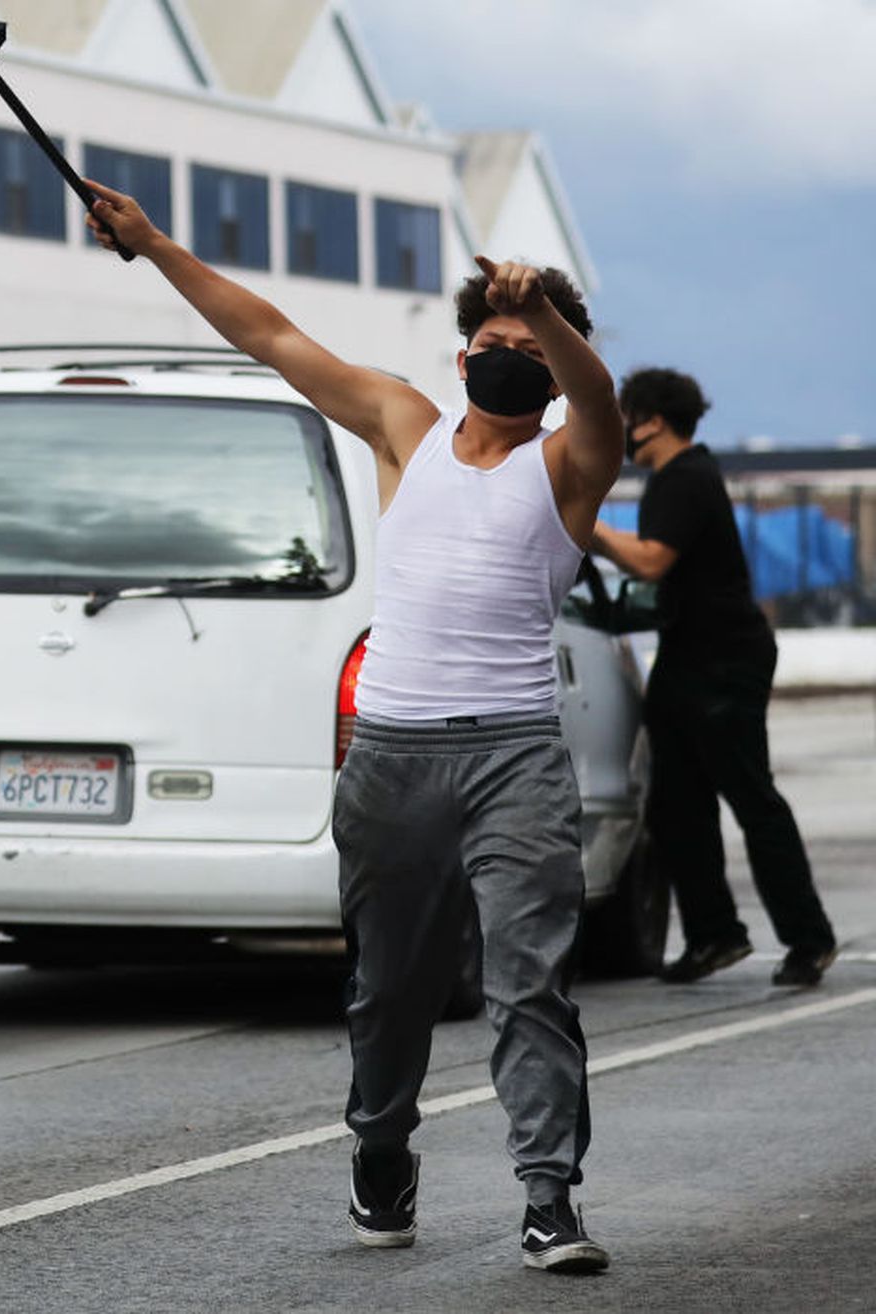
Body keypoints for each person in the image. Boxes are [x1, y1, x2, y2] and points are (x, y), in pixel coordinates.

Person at [84, 182, 622, 1273]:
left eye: (535, 345)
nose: (513, 356)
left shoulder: (567, 464)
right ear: (463, 358)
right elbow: (269, 334)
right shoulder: (403, 427)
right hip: (391, 755)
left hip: (514, 753)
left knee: (528, 981)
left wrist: (550, 318)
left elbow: (599, 399)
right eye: (494, 340)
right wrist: (151, 246)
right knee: (391, 989)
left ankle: (548, 1199)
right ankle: (383, 1150)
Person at [591, 368, 836, 988]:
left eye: (628, 416)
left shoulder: (685, 478)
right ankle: (714, 935)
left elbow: (651, 561)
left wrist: (586, 523)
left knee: (750, 796)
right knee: (675, 805)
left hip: (724, 660)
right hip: (686, 654)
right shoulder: (677, 479)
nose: (622, 429)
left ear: (652, 420)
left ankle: (810, 940)